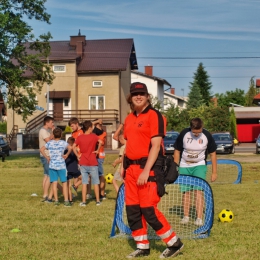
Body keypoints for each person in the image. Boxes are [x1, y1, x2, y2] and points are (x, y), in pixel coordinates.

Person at [121, 82, 183, 259]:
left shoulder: (154, 116)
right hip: (131, 169)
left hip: (148, 169)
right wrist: (123, 167)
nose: (138, 96)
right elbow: (129, 145)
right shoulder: (129, 118)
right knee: (133, 210)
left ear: (148, 96)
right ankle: (142, 246)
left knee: (148, 209)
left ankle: (174, 243)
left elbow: (156, 147)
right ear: (130, 98)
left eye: (142, 93)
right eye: (135, 94)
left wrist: (146, 171)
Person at [173, 117, 217, 226]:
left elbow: (213, 153)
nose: (196, 134)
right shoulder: (184, 134)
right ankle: (186, 216)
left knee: (198, 191)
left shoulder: (207, 135)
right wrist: (175, 167)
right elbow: (177, 151)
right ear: (191, 128)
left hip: (199, 165)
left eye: (199, 132)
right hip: (184, 165)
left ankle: (199, 218)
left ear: (202, 128)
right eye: (194, 132)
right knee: (186, 192)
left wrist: (214, 172)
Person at [73, 120, 103, 206]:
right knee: (96, 182)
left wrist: (77, 155)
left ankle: (83, 201)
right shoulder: (94, 136)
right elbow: (101, 142)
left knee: (84, 182)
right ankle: (97, 201)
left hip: (83, 162)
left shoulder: (80, 137)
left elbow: (74, 146)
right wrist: (97, 150)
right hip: (93, 162)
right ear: (90, 128)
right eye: (92, 127)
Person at [40, 128, 72, 207]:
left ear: (53, 135)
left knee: (54, 183)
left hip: (52, 165)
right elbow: (70, 148)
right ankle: (66, 200)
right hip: (61, 166)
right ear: (61, 135)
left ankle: (56, 200)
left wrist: (47, 157)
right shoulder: (63, 143)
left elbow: (41, 149)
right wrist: (66, 155)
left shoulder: (50, 143)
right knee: (64, 183)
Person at [39, 116, 54, 201]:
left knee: (46, 175)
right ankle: (46, 194)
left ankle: (45, 194)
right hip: (46, 156)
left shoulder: (45, 131)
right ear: (47, 123)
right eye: (51, 122)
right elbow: (49, 141)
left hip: (46, 155)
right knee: (49, 176)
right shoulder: (43, 131)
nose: (52, 124)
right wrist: (53, 133)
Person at [93, 119, 107, 200]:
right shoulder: (101, 133)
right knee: (98, 175)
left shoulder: (100, 134)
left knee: (100, 175)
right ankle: (100, 193)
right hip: (99, 156)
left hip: (99, 157)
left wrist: (96, 122)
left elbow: (90, 125)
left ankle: (101, 194)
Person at [69, 117, 83, 195]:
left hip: (81, 156)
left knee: (80, 175)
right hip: (76, 157)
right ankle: (74, 191)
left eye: (72, 126)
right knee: (78, 175)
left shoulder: (81, 132)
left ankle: (74, 191)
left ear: (77, 124)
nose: (71, 128)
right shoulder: (73, 133)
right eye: (71, 126)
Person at [65, 137, 81, 203]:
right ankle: (75, 186)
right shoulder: (75, 150)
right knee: (86, 178)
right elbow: (78, 158)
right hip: (74, 169)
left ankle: (70, 200)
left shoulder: (65, 150)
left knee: (69, 184)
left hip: (67, 169)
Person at [112, 123, 125, 193]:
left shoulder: (123, 147)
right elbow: (114, 137)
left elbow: (122, 159)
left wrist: (115, 162)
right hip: (126, 166)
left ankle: (120, 194)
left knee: (114, 180)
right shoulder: (127, 145)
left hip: (121, 167)